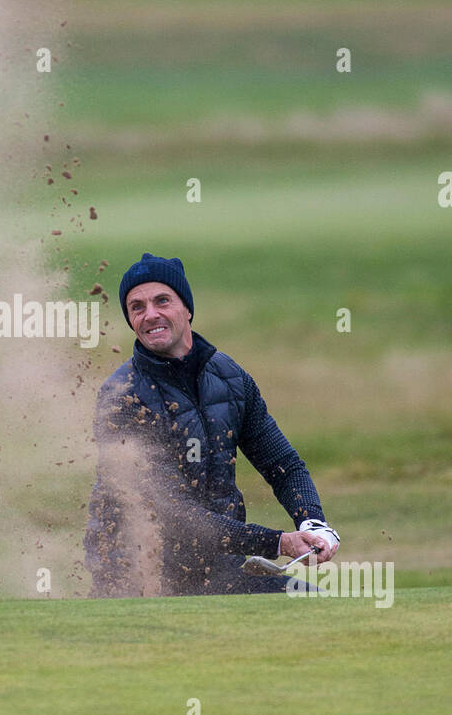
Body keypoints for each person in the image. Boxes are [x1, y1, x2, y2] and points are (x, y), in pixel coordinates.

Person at [85, 253, 340, 597]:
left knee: (316, 605)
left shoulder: (230, 377)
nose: (151, 315)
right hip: (140, 571)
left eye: (162, 300)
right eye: (137, 307)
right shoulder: (123, 397)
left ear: (187, 308)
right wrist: (277, 542)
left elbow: (284, 465)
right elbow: (173, 515)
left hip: (218, 564)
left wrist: (312, 523)